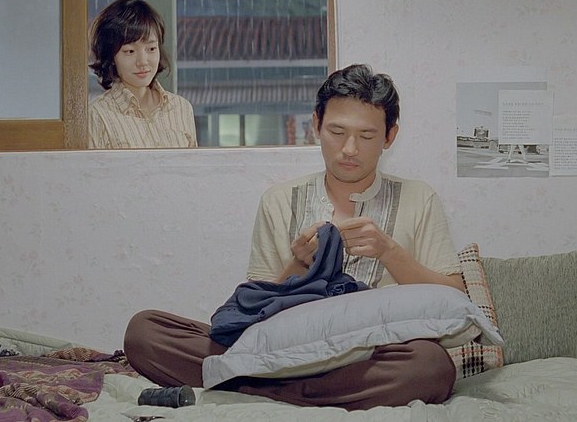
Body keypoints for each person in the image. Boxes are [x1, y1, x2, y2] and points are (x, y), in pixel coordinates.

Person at [124, 64, 463, 410]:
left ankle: (252, 388)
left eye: (366, 136)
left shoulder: (418, 198)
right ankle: (302, 391)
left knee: (431, 366)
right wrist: (299, 265)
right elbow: (252, 312)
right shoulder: (280, 199)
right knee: (145, 332)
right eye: (337, 132)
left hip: (368, 356)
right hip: (281, 352)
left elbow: (455, 299)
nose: (349, 149)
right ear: (316, 124)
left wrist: (389, 251)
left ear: (389, 136)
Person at [88, 0, 197, 149]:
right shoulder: (97, 115)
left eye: (151, 49)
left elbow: (193, 164)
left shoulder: (181, 108)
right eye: (130, 51)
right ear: (111, 57)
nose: (143, 62)